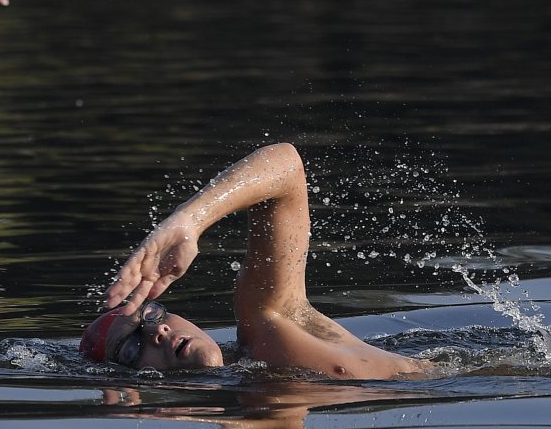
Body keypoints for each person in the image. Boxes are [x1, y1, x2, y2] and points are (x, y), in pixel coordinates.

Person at [81, 143, 434, 380]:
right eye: (131, 348)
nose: (157, 331)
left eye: (153, 314)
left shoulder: (268, 322)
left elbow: (288, 166)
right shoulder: (253, 389)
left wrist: (191, 220)